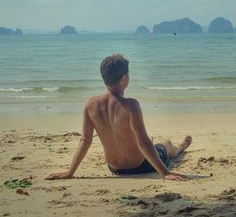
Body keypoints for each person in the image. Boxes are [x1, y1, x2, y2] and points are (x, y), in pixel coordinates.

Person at [46, 54, 191, 181]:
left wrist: (69, 172)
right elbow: (144, 143)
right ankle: (180, 147)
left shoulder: (91, 104)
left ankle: (175, 147)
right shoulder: (131, 105)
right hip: (139, 166)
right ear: (124, 78)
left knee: (153, 144)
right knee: (165, 145)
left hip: (115, 168)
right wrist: (165, 173)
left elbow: (85, 140)